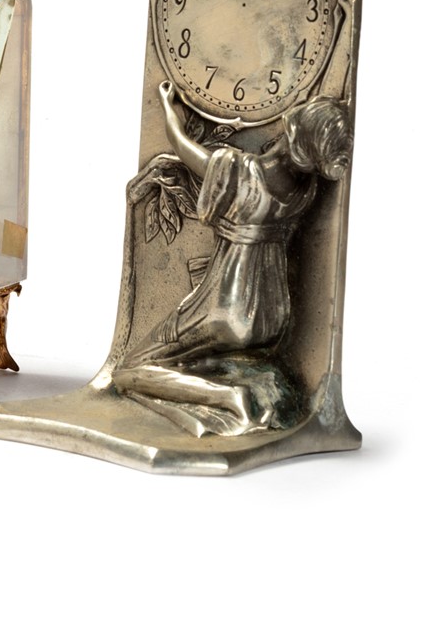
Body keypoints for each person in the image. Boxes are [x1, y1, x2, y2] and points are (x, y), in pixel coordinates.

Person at [113, 82, 352, 436]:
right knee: (205, 361)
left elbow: (181, 146)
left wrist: (167, 105)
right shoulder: (305, 189)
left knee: (130, 370)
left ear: (291, 134)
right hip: (273, 315)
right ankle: (253, 389)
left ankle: (229, 399)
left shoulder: (241, 173)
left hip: (228, 308)